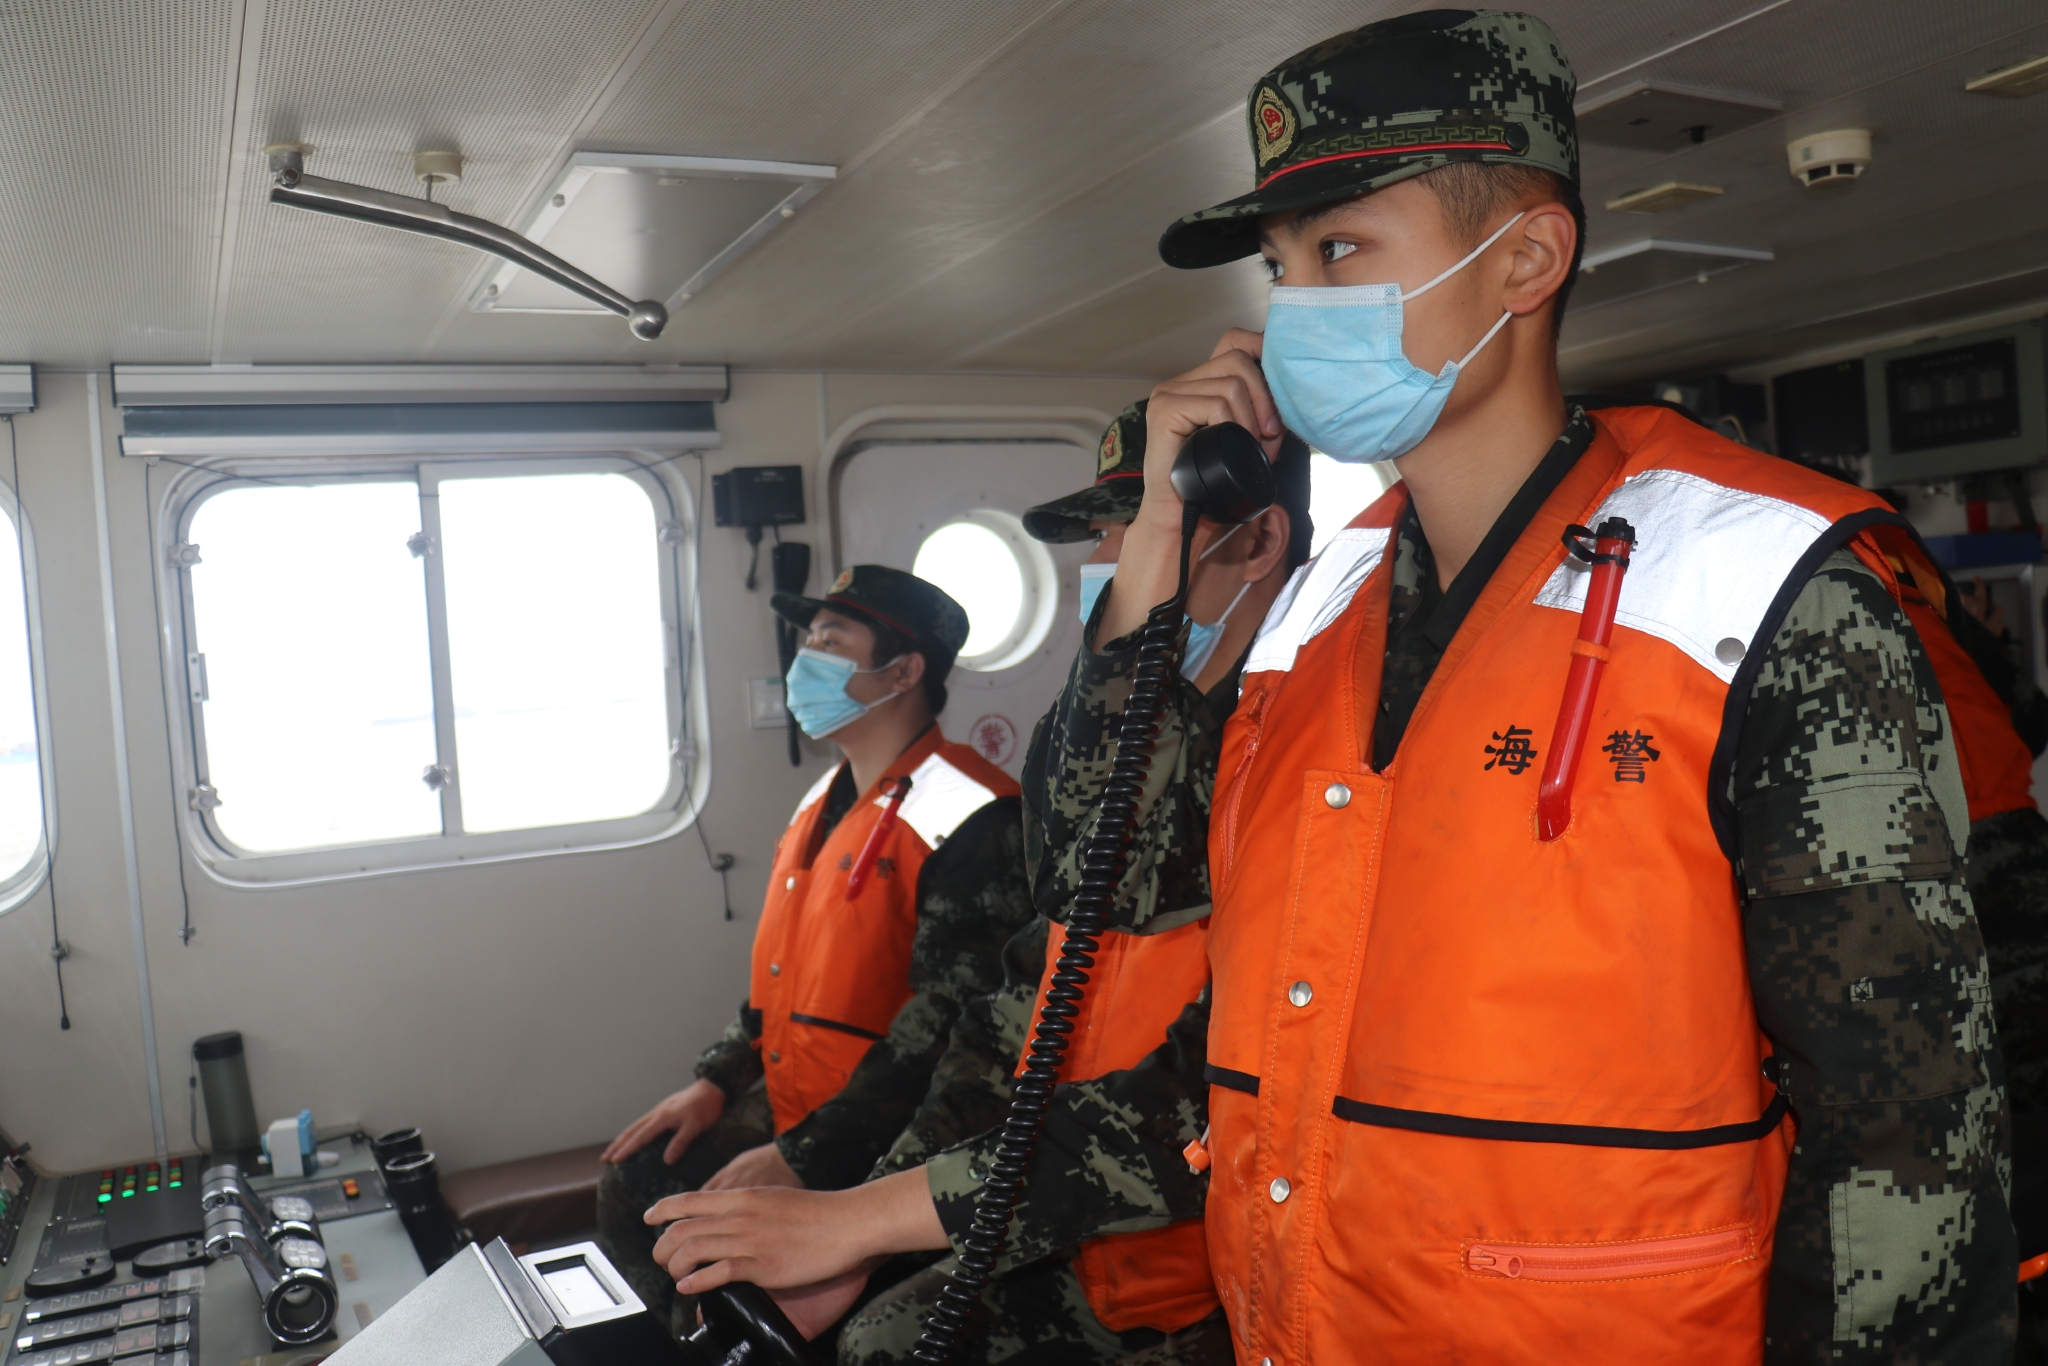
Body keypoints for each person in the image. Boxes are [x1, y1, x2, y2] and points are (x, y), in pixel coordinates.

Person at [638, 12, 2016, 1363]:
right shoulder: (1319, 616)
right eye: (1279, 267)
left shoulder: (1760, 588)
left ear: (1525, 258)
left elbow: (1905, 1139)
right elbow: (1126, 920)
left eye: (1339, 249)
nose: (1291, 307)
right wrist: (1158, 547)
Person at [827, 401, 1311, 1364]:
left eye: (1141, 523)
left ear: (1257, 540)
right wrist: (868, 1213)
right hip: (1091, 1236)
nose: (1110, 559)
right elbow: (1026, 1000)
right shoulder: (1122, 744)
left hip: (1234, 1277)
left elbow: (1213, 1092)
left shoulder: (1304, 758)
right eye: (1105, 534)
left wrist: (879, 1221)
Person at [595, 565, 1035, 1335]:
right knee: (636, 1179)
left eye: (831, 642)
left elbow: (951, 1025)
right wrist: (715, 1080)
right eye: (808, 641)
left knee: (708, 1254)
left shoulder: (976, 816)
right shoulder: (822, 801)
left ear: (903, 673)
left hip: (884, 1130)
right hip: (794, 1096)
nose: (806, 660)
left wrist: (805, 1155)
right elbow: (782, 980)